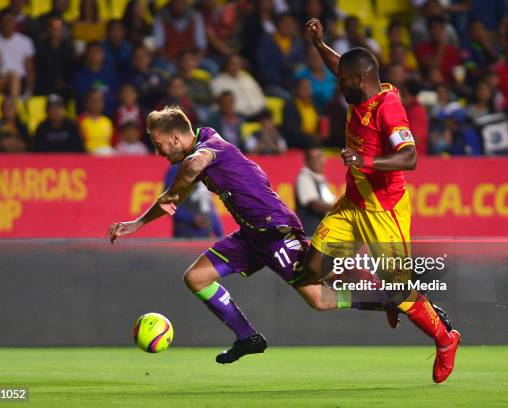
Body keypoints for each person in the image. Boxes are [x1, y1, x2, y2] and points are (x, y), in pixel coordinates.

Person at [107, 107, 393, 364]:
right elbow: (176, 196)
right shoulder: (205, 139)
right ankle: (247, 337)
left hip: (274, 231)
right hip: (250, 235)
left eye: (158, 145)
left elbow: (195, 165)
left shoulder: (207, 149)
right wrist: (138, 223)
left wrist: (180, 184)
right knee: (195, 278)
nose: (159, 153)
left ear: (173, 137)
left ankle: (388, 299)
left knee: (318, 298)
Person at [304, 18, 460, 383]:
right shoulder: (360, 88)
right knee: (312, 267)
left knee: (403, 293)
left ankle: (445, 338)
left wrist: (364, 161)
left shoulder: (388, 108)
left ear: (359, 80)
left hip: (382, 210)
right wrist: (319, 45)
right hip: (352, 203)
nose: (337, 84)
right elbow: (341, 64)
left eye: (342, 80)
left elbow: (410, 158)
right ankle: (384, 297)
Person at [164, 162, 223, 238]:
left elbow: (208, 204)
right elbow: (168, 203)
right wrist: (192, 218)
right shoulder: (177, 170)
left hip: (205, 236)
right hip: (184, 235)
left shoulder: (205, 169)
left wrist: (219, 233)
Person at [210, 54, 267, 119]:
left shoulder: (247, 78)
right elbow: (219, 106)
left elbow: (260, 95)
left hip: (258, 113)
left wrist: (261, 107)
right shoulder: (218, 82)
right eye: (232, 64)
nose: (235, 66)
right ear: (226, 65)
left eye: (238, 64)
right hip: (237, 116)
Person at [295, 145, 335, 235]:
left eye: (321, 157)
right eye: (316, 158)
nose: (320, 161)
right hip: (310, 234)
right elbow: (314, 205)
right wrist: (339, 207)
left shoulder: (320, 179)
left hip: (322, 234)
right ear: (308, 161)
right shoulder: (304, 177)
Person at [0, 8, 35, 96]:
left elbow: (29, 68)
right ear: (0, 22)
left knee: (14, 76)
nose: (8, 23)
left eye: (11, 20)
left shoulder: (25, 41)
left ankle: (13, 103)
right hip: (0, 80)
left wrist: (30, 88)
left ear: (15, 22)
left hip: (20, 82)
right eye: (5, 20)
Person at [77, 89, 114, 155]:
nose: (97, 103)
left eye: (100, 100)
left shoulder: (107, 121)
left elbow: (112, 142)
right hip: (88, 156)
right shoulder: (80, 121)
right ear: (87, 103)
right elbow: (79, 144)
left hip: (107, 155)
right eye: (93, 101)